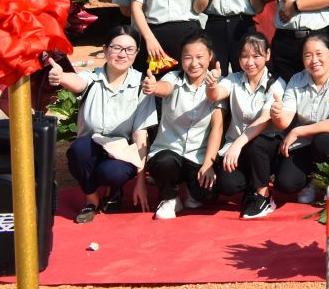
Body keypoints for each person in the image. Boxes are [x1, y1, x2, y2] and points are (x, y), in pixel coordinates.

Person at [47, 25, 156, 223]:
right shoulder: (92, 77)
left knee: (113, 173)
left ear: (136, 53)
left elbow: (140, 135)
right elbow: (77, 82)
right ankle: (92, 200)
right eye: (116, 48)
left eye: (129, 49)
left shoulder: (142, 85)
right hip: (90, 147)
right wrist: (61, 77)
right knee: (79, 150)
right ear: (105, 50)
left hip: (121, 151)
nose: (122, 54)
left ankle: (114, 189)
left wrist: (140, 183)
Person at [141, 32, 222, 220]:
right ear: (181, 58)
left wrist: (209, 164)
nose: (194, 63)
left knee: (208, 194)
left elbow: (217, 127)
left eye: (200, 57)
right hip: (170, 151)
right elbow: (164, 87)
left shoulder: (218, 85)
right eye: (188, 57)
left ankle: (191, 190)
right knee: (165, 163)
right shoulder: (173, 78)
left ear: (210, 56)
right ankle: (170, 197)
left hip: (197, 156)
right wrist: (154, 87)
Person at [207, 31, 282, 219]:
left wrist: (237, 144)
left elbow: (264, 120)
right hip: (237, 150)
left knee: (256, 144)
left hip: (265, 148)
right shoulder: (233, 79)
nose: (250, 62)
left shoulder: (277, 84)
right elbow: (216, 95)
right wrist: (212, 85)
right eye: (244, 56)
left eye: (256, 56)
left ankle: (264, 196)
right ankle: (250, 186)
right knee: (228, 185)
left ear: (268, 55)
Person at [271, 33, 329, 203]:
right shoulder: (296, 79)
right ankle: (309, 180)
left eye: (319, 53)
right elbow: (285, 120)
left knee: (323, 141)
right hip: (304, 143)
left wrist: (298, 131)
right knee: (285, 184)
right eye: (308, 55)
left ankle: (328, 181)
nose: (314, 60)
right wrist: (277, 115)